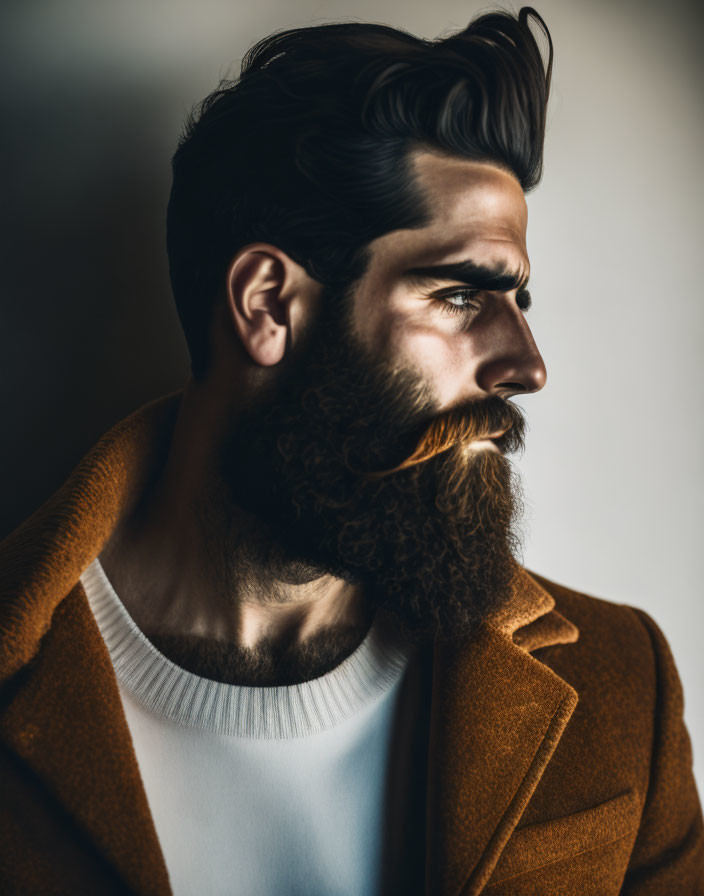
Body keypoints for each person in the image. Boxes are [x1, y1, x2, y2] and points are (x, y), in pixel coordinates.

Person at [1, 6, 702, 895]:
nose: (528, 366)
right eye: (459, 295)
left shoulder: (619, 685)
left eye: (523, 304)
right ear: (268, 305)